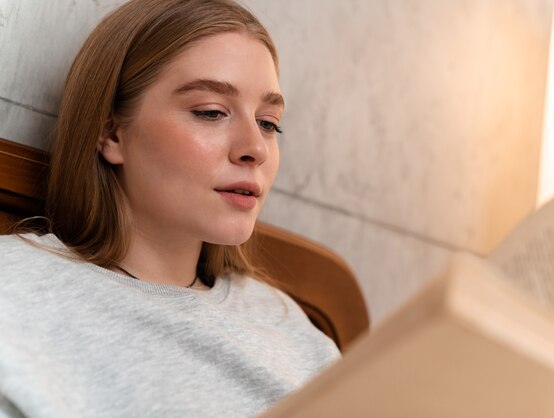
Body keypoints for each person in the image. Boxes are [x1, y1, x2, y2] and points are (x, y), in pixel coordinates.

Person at [0, 0, 340, 417]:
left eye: (269, 123)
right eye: (211, 112)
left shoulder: (294, 333)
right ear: (112, 133)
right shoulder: (15, 294)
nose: (255, 148)